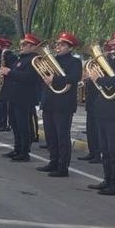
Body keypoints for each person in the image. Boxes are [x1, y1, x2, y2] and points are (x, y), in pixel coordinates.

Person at [87, 32, 115, 195]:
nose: (112, 47)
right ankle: (108, 180)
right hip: (104, 109)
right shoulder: (113, 61)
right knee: (105, 149)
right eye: (113, 44)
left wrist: (98, 79)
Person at [35, 32, 82, 177]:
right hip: (49, 101)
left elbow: (74, 78)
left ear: (70, 47)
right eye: (57, 44)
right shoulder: (51, 60)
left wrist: (53, 79)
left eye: (62, 45)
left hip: (64, 104)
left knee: (62, 136)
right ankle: (53, 161)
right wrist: (45, 78)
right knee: (50, 135)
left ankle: (63, 166)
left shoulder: (74, 62)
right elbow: (42, 77)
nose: (58, 47)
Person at [0, 33, 41, 161]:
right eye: (21, 44)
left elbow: (30, 77)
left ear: (32, 46)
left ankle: (24, 152)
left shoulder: (35, 59)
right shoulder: (21, 58)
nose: (21, 46)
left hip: (24, 97)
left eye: (24, 44)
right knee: (15, 124)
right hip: (14, 96)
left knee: (23, 125)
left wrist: (10, 72)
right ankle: (17, 148)